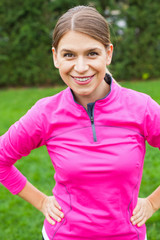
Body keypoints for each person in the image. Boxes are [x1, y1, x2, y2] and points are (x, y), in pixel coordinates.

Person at [0, 5, 160, 240]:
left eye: (92, 53)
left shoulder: (141, 108)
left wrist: (153, 203)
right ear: (56, 57)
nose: (81, 67)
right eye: (69, 55)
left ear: (109, 53)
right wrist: (42, 201)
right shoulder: (45, 113)